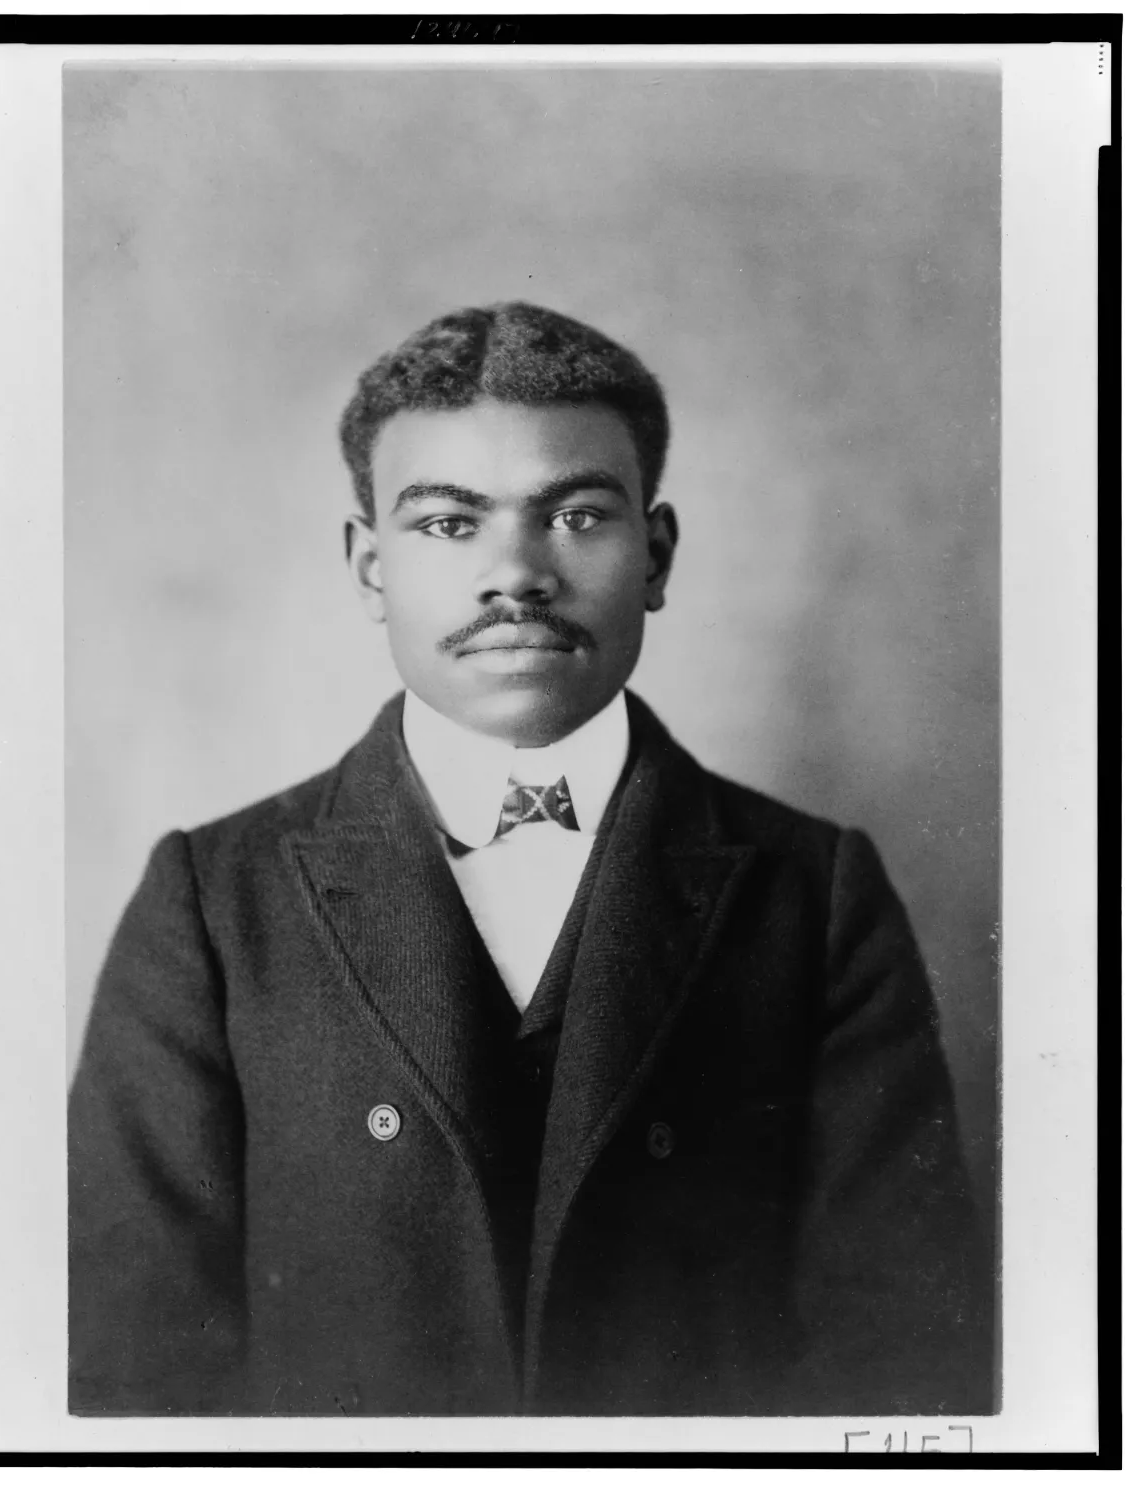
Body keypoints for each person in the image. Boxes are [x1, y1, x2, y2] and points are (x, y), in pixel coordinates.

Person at [69, 302, 993, 1417]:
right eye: (450, 526)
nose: (516, 574)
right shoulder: (212, 903)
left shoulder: (815, 892)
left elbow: (897, 1351)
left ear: (654, 554)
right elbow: (139, 1361)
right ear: (370, 569)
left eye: (577, 515)